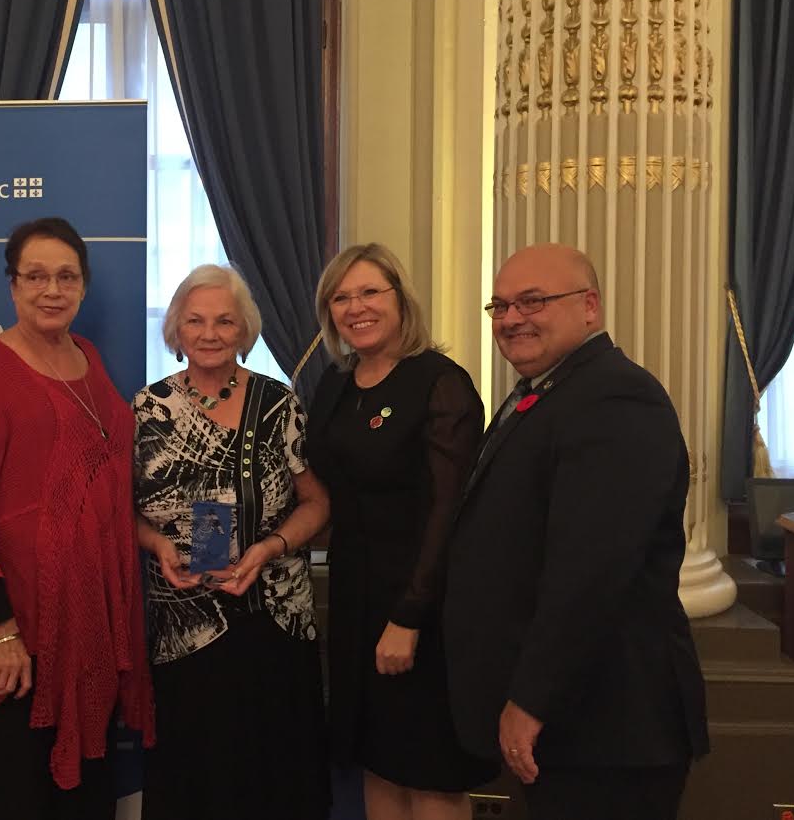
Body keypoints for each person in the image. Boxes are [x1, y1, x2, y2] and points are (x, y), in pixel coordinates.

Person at [443, 243, 709, 820]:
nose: (511, 318)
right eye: (500, 306)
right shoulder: (550, 390)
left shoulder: (615, 396)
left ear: (590, 306)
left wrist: (531, 699)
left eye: (533, 301)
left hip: (608, 724)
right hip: (573, 723)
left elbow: (590, 571)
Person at [0, 217, 153, 820]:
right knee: (19, 793)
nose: (52, 290)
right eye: (35, 276)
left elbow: (105, 482)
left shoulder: (87, 356)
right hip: (20, 628)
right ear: (13, 285)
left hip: (89, 627)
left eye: (66, 277)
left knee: (84, 797)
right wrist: (2, 630)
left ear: (83, 285)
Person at [304, 243, 495, 820]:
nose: (355, 307)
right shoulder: (335, 383)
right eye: (341, 298)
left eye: (369, 292)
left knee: (428, 770)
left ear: (400, 300)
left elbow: (447, 513)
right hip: (354, 594)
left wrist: (409, 618)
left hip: (421, 603)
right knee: (377, 760)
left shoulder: (440, 383)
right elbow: (323, 489)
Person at [133, 264, 331, 820]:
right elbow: (121, 512)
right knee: (196, 778)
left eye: (224, 321)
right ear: (176, 329)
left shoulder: (278, 404)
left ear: (245, 330)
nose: (210, 333)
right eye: (195, 320)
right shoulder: (148, 409)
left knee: (273, 779)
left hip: (271, 621)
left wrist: (269, 548)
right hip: (184, 625)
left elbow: (318, 503)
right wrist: (157, 545)